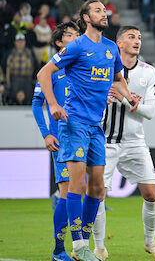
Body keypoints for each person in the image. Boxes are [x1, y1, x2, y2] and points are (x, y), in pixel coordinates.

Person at [36, 0, 138, 261]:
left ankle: (83, 239)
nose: (104, 14)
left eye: (105, 10)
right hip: (74, 124)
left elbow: (118, 78)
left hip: (96, 126)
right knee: (76, 186)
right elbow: (43, 74)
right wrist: (54, 104)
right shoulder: (77, 46)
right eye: (98, 10)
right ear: (84, 17)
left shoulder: (110, 49)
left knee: (98, 189)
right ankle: (79, 246)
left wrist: (129, 97)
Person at [92, 26, 155, 261]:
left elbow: (150, 112)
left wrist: (124, 100)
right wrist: (101, 98)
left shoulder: (148, 72)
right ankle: (99, 248)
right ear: (119, 43)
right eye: (131, 37)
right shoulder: (102, 69)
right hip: (105, 142)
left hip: (135, 142)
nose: (137, 41)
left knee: (151, 194)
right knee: (98, 195)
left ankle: (150, 242)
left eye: (140, 38)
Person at [31, 22, 80, 261]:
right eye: (70, 35)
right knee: (67, 191)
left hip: (84, 135)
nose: (75, 38)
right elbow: (36, 104)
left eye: (77, 35)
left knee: (87, 191)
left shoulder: (83, 67)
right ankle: (59, 250)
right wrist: (46, 134)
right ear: (59, 42)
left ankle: (82, 246)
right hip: (61, 137)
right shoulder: (50, 71)